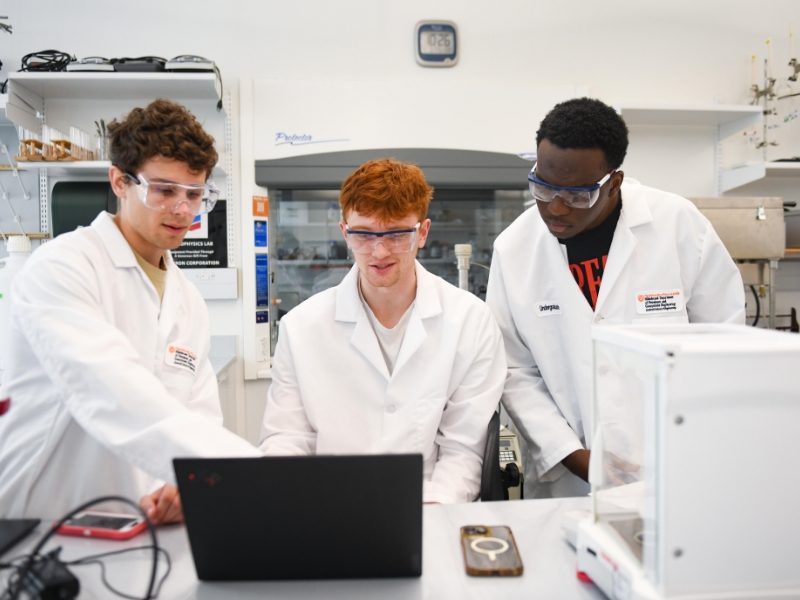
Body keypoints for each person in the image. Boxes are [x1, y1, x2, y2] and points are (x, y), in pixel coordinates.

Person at [0, 100, 260, 521]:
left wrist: (186, 483)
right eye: (164, 190)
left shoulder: (188, 300)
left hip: (138, 523)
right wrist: (246, 473)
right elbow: (114, 394)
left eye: (195, 194)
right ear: (119, 182)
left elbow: (198, 414)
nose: (183, 210)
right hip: (43, 517)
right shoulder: (63, 268)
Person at [486, 98, 745, 498]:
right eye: (542, 186)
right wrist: (575, 456)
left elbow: (724, 344)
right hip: (571, 482)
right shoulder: (514, 250)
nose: (555, 207)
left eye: (576, 196)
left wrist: (692, 440)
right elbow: (515, 372)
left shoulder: (677, 225)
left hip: (677, 466)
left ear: (614, 182)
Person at [260, 158, 506, 504]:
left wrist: (422, 520)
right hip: (329, 508)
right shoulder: (301, 327)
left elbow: (463, 452)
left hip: (431, 509)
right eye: (363, 234)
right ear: (345, 233)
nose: (379, 251)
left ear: (422, 233)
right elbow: (286, 439)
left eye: (396, 234)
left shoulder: (470, 321)